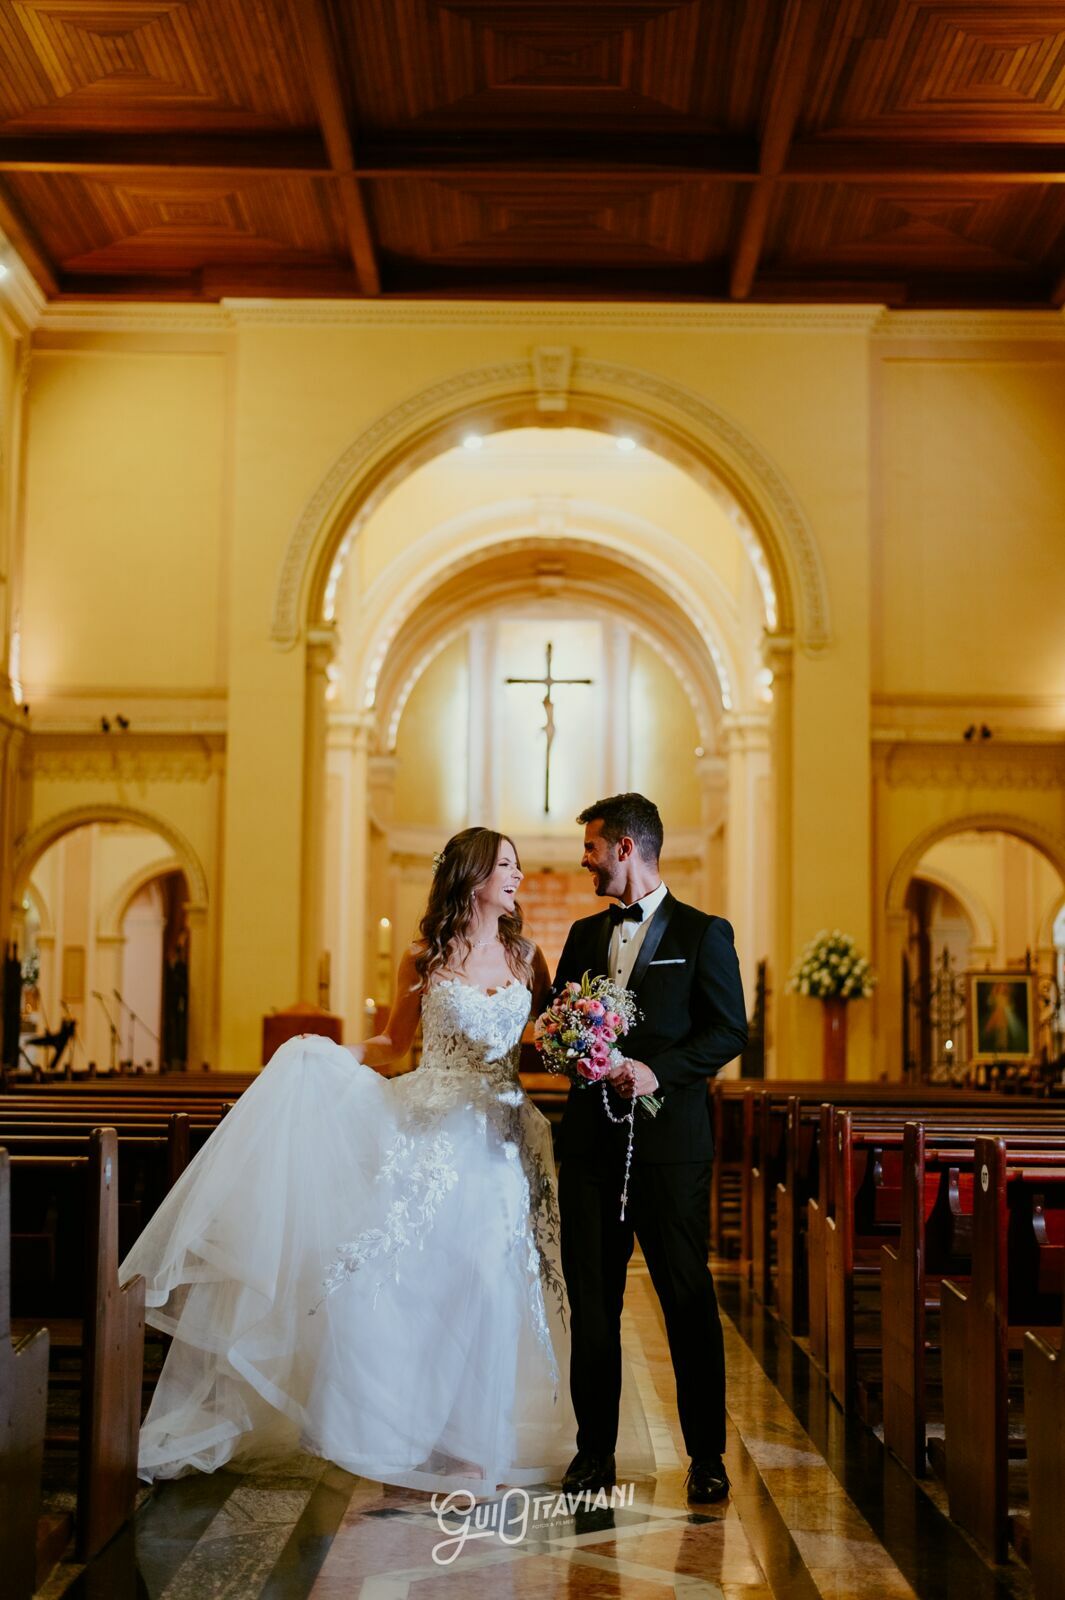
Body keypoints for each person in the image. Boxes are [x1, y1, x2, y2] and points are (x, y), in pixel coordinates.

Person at [122, 828, 618, 1494]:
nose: (517, 875)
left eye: (516, 865)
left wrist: (586, 1043)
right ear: (471, 875)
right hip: (433, 1132)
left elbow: (545, 1040)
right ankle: (411, 1427)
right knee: (420, 1281)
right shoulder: (425, 956)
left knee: (490, 1278)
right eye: (505, 864)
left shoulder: (527, 956)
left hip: (502, 1138)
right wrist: (327, 1055)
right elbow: (393, 1043)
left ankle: (478, 1442)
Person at [553, 793, 747, 1504]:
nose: (585, 860)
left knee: (687, 1300)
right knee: (592, 1306)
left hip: (670, 1152)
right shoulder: (582, 936)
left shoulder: (703, 933)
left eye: (593, 847)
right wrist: (571, 1049)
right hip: (590, 1150)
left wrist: (656, 1071)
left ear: (626, 848)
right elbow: (558, 1022)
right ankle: (592, 1455)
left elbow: (728, 1031)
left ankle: (707, 1457)